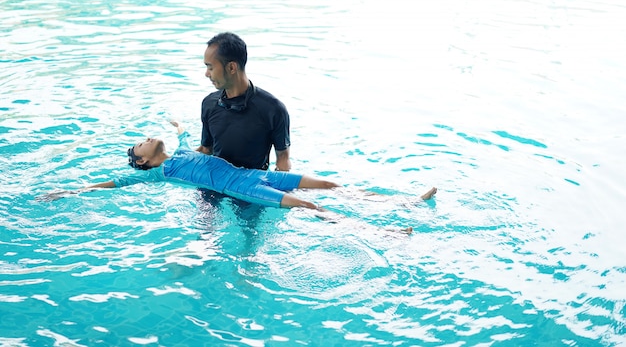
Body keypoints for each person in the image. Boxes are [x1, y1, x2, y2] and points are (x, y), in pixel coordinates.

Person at [41, 121, 438, 216]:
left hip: (254, 174)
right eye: (140, 143)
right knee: (309, 207)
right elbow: (113, 184)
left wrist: (178, 126)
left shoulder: (177, 153)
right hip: (242, 188)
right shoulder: (157, 172)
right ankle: (386, 233)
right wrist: (71, 191)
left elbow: (180, 135)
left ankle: (404, 200)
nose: (147, 137)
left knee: (327, 184)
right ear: (142, 160)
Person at [197, 32, 291, 172]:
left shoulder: (273, 109)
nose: (206, 74)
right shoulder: (209, 104)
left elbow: (283, 161)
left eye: (210, 67)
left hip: (251, 187)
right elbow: (206, 149)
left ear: (231, 68)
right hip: (214, 182)